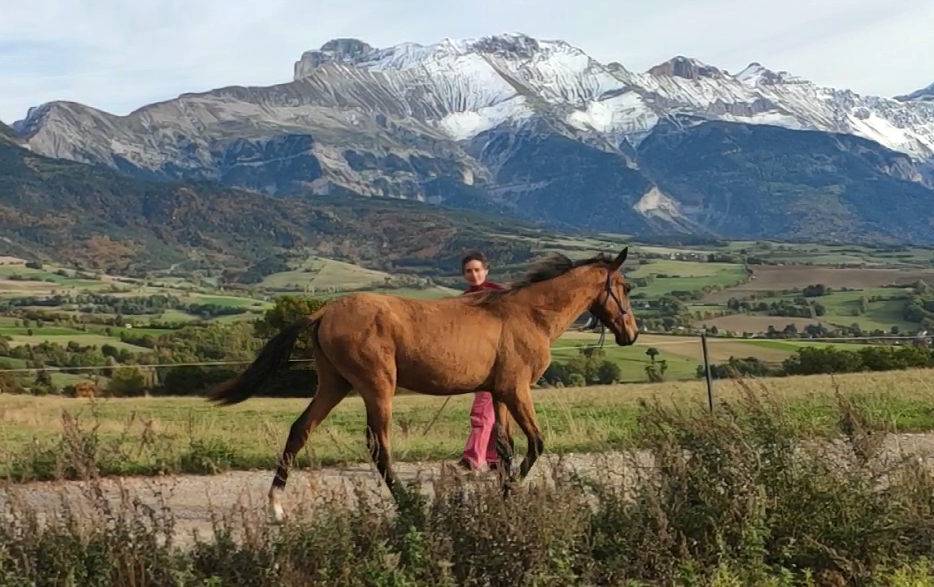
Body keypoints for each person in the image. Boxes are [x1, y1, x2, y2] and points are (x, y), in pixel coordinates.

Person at [458, 251, 504, 471]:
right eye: (469, 271)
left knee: (484, 410)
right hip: (478, 359)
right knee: (490, 409)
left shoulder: (501, 295)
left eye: (477, 270)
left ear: (486, 270)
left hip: (499, 359)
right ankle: (493, 458)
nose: (473, 274)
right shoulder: (464, 299)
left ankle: (473, 458)